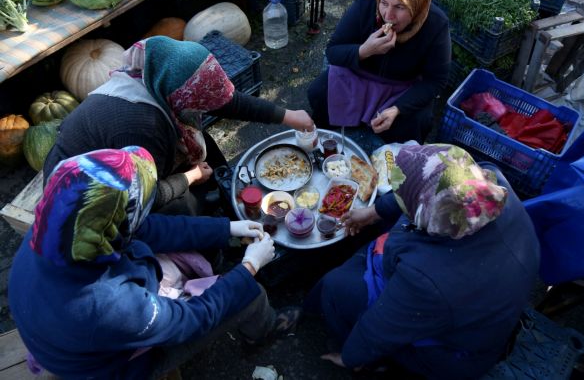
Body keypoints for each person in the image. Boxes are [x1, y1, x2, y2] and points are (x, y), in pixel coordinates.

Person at [9, 146, 300, 379]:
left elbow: (148, 228)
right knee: (247, 295)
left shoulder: (58, 230)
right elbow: (190, 320)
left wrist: (226, 229)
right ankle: (263, 332)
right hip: (115, 366)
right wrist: (249, 266)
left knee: (182, 224)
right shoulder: (109, 304)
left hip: (69, 331)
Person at [306, 144, 540, 378]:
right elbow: (424, 190)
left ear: (427, 213)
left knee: (335, 286)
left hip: (452, 349)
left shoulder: (426, 279)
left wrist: (351, 357)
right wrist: (375, 211)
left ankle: (374, 362)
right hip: (474, 303)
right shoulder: (489, 185)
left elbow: (382, 326)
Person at [43, 36, 314, 216]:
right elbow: (144, 197)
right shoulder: (144, 128)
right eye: (201, 99)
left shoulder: (156, 79)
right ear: (184, 96)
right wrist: (189, 177)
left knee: (203, 144)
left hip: (126, 155)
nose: (208, 103)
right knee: (183, 206)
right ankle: (210, 247)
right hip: (79, 194)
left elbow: (225, 101)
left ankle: (220, 201)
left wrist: (288, 116)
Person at [307, 0, 450, 144]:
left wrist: (398, 108)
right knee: (318, 93)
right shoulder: (365, 5)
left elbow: (436, 80)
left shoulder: (435, 24)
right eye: (384, 3)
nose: (388, 15)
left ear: (417, 6)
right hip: (356, 77)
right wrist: (363, 51)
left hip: (399, 89)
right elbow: (333, 50)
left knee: (418, 123)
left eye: (400, 7)